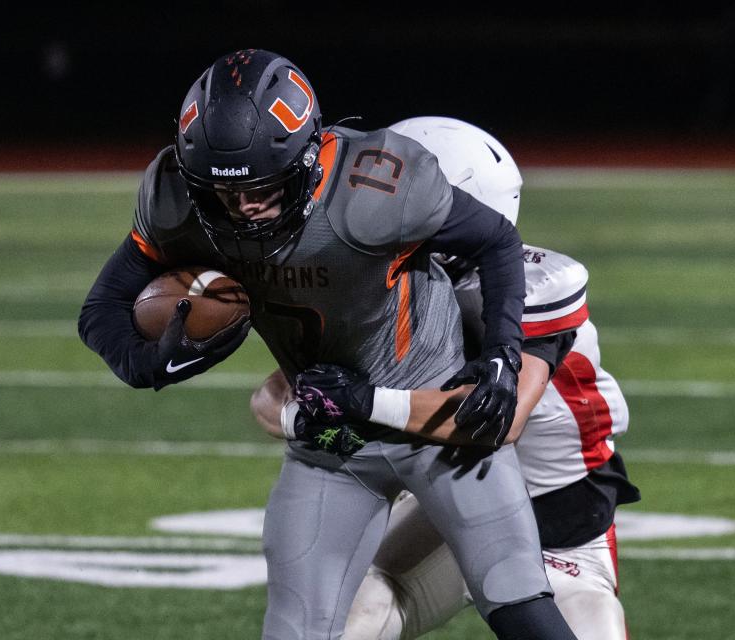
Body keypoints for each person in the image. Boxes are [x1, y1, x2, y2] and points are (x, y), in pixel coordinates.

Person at [78, 50, 578, 640]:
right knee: (294, 630)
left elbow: (495, 240)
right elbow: (101, 311)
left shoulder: (376, 185)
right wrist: (150, 363)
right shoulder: (176, 202)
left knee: (519, 606)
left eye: (264, 187)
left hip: (437, 425)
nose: (244, 208)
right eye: (222, 193)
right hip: (334, 441)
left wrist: (499, 353)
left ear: (310, 157)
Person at [252, 116, 640, 640]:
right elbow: (274, 395)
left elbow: (497, 424)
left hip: (564, 533)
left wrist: (364, 405)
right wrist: (322, 428)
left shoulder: (527, 289)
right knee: (347, 622)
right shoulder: (388, 286)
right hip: (444, 503)